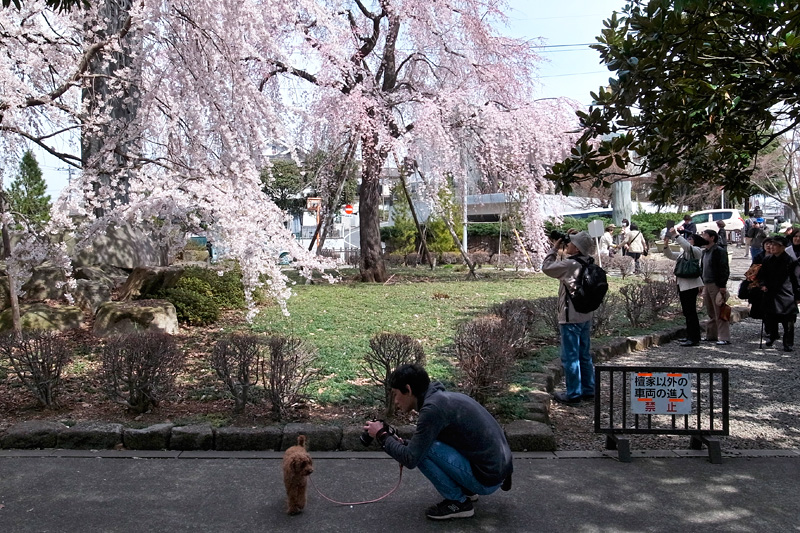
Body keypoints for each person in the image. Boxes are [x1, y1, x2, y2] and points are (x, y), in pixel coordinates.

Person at [363, 364, 513, 520]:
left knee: (423, 452)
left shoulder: (433, 409)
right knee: (421, 447)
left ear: (408, 389)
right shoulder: (442, 399)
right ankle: (467, 489)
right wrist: (401, 442)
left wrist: (381, 435)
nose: (395, 401)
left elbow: (411, 458)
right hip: (497, 472)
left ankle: (458, 503)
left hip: (487, 479)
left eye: (395, 394)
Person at [541, 231, 596, 405]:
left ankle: (573, 395)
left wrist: (554, 249)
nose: (569, 244)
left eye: (572, 243)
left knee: (570, 357)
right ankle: (589, 390)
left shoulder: (570, 264)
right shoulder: (588, 261)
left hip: (570, 317)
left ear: (578, 248)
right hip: (586, 315)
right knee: (584, 355)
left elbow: (546, 267)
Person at [662, 230, 706, 346]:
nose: (688, 240)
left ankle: (694, 338)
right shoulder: (684, 253)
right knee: (687, 312)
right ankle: (690, 335)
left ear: (695, 242)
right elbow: (670, 255)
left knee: (691, 312)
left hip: (691, 285)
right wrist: (666, 245)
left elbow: (687, 247)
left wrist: (676, 235)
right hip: (682, 285)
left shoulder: (696, 251)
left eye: (690, 239)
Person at [756, 236, 800, 351]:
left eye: (775, 245)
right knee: (770, 317)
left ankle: (788, 343)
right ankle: (773, 335)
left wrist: (798, 295)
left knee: (788, 321)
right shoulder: (767, 260)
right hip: (771, 292)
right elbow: (761, 276)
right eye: (771, 244)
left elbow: (796, 280)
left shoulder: (791, 261)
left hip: (786, 294)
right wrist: (763, 284)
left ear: (782, 247)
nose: (772, 247)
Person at [700, 229, 731, 345]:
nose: (702, 237)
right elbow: (702, 268)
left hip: (716, 284)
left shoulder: (719, 251)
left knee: (720, 310)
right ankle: (711, 335)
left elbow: (724, 268)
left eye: (705, 235)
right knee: (710, 311)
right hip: (706, 284)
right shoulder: (705, 252)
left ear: (712, 238)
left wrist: (722, 285)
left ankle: (724, 337)